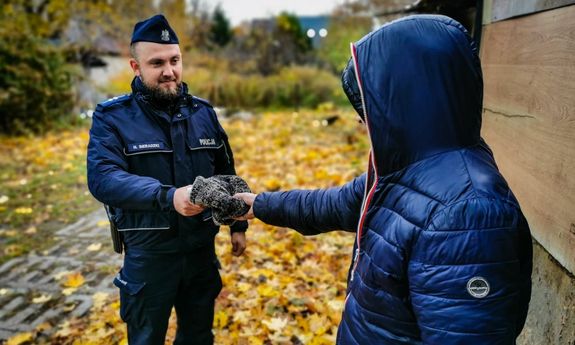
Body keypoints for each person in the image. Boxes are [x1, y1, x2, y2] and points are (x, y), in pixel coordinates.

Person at [235, 15, 533, 344]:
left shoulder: (468, 213)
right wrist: (260, 205)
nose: (364, 124)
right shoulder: (404, 168)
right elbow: (334, 204)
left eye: (371, 110)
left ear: (407, 102)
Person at [87, 14, 247, 345]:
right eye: (157, 62)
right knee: (146, 339)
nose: (169, 71)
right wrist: (168, 196)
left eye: (175, 60)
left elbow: (226, 171)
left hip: (200, 251)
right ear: (135, 66)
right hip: (149, 258)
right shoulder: (112, 118)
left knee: (199, 335)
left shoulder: (203, 113)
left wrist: (238, 226)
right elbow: (103, 178)